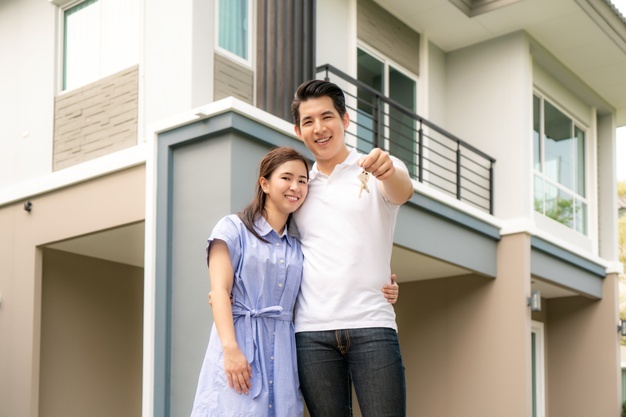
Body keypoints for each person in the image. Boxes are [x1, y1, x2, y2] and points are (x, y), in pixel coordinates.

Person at [291, 79, 414, 417]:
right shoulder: (298, 187)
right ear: (298, 130)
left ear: (345, 120)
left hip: (372, 323)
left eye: (327, 117)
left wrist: (387, 169)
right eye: (308, 121)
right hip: (311, 332)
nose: (319, 128)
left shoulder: (376, 167)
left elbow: (402, 190)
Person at [190, 147, 310, 417]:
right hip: (240, 344)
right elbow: (219, 291)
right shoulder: (233, 229)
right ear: (265, 183)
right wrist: (230, 350)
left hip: (283, 352)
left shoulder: (298, 244)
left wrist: (382, 286)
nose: (296, 187)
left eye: (302, 180)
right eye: (287, 178)